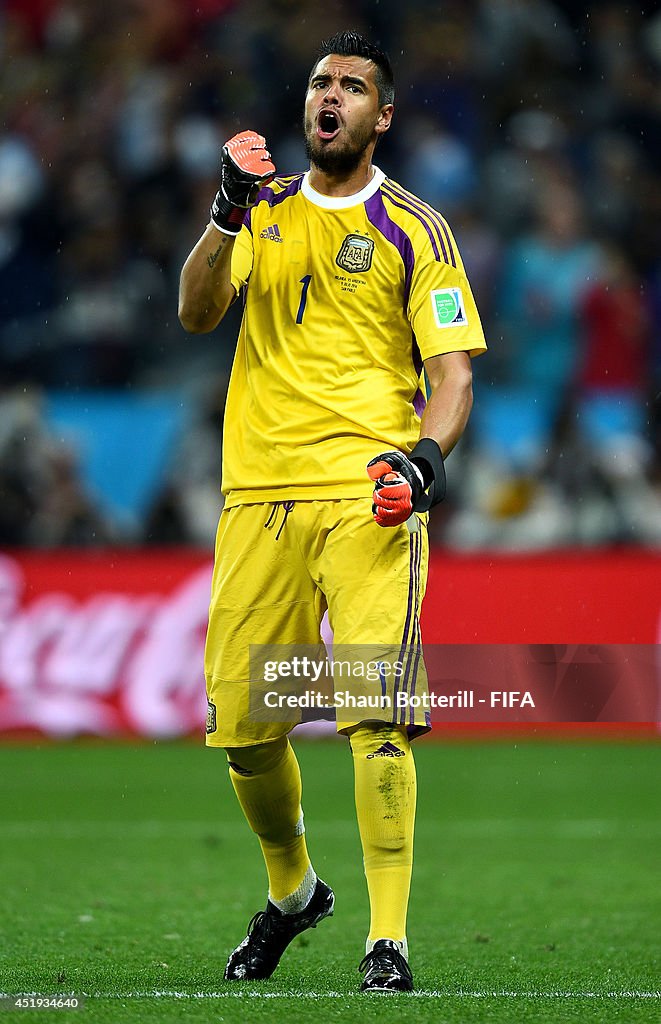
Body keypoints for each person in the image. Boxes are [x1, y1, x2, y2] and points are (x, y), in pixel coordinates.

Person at [179, 30, 486, 993]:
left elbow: (452, 373)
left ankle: (384, 941)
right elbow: (193, 312)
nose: (331, 96)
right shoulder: (257, 210)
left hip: (370, 497)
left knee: (375, 718)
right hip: (258, 496)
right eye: (320, 82)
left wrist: (423, 462)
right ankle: (293, 891)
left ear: (379, 116)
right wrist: (224, 211)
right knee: (244, 730)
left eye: (352, 87)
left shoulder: (416, 229)